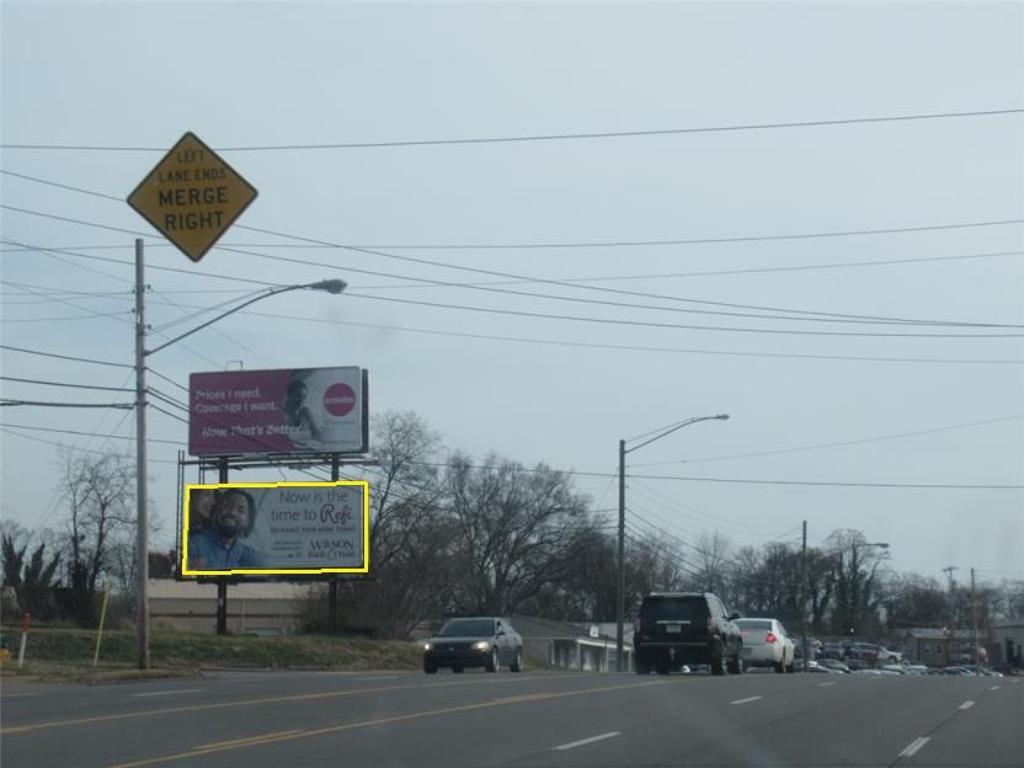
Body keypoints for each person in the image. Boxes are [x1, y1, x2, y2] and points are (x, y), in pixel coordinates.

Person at [187, 489, 264, 569]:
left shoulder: (252, 558)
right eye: (227, 506)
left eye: (240, 510)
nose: (232, 512)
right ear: (216, 511)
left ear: (248, 521)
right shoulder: (193, 545)